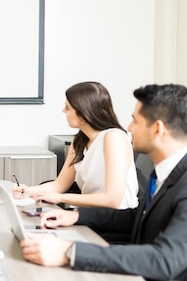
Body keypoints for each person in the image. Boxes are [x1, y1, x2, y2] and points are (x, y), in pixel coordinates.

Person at [21, 84, 187, 281]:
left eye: (135, 121)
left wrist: (69, 252)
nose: (128, 127)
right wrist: (76, 217)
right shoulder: (170, 171)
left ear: (157, 129)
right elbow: (135, 217)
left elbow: (164, 260)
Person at [14, 81, 139, 209]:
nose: (63, 111)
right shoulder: (79, 141)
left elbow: (113, 200)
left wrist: (61, 198)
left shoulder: (113, 137)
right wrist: (29, 191)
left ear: (84, 113)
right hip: (93, 214)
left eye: (67, 108)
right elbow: (60, 185)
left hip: (117, 217)